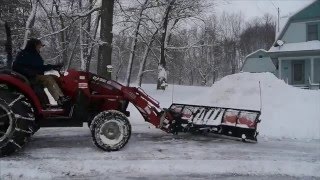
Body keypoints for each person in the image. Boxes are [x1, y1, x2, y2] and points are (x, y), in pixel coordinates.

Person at [12, 38, 70, 105]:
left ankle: (64, 97)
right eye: (39, 46)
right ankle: (60, 98)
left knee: (56, 78)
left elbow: (40, 67)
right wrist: (28, 72)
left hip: (35, 76)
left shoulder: (34, 54)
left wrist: (54, 66)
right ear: (34, 45)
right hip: (28, 78)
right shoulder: (25, 55)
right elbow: (16, 67)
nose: (40, 48)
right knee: (48, 79)